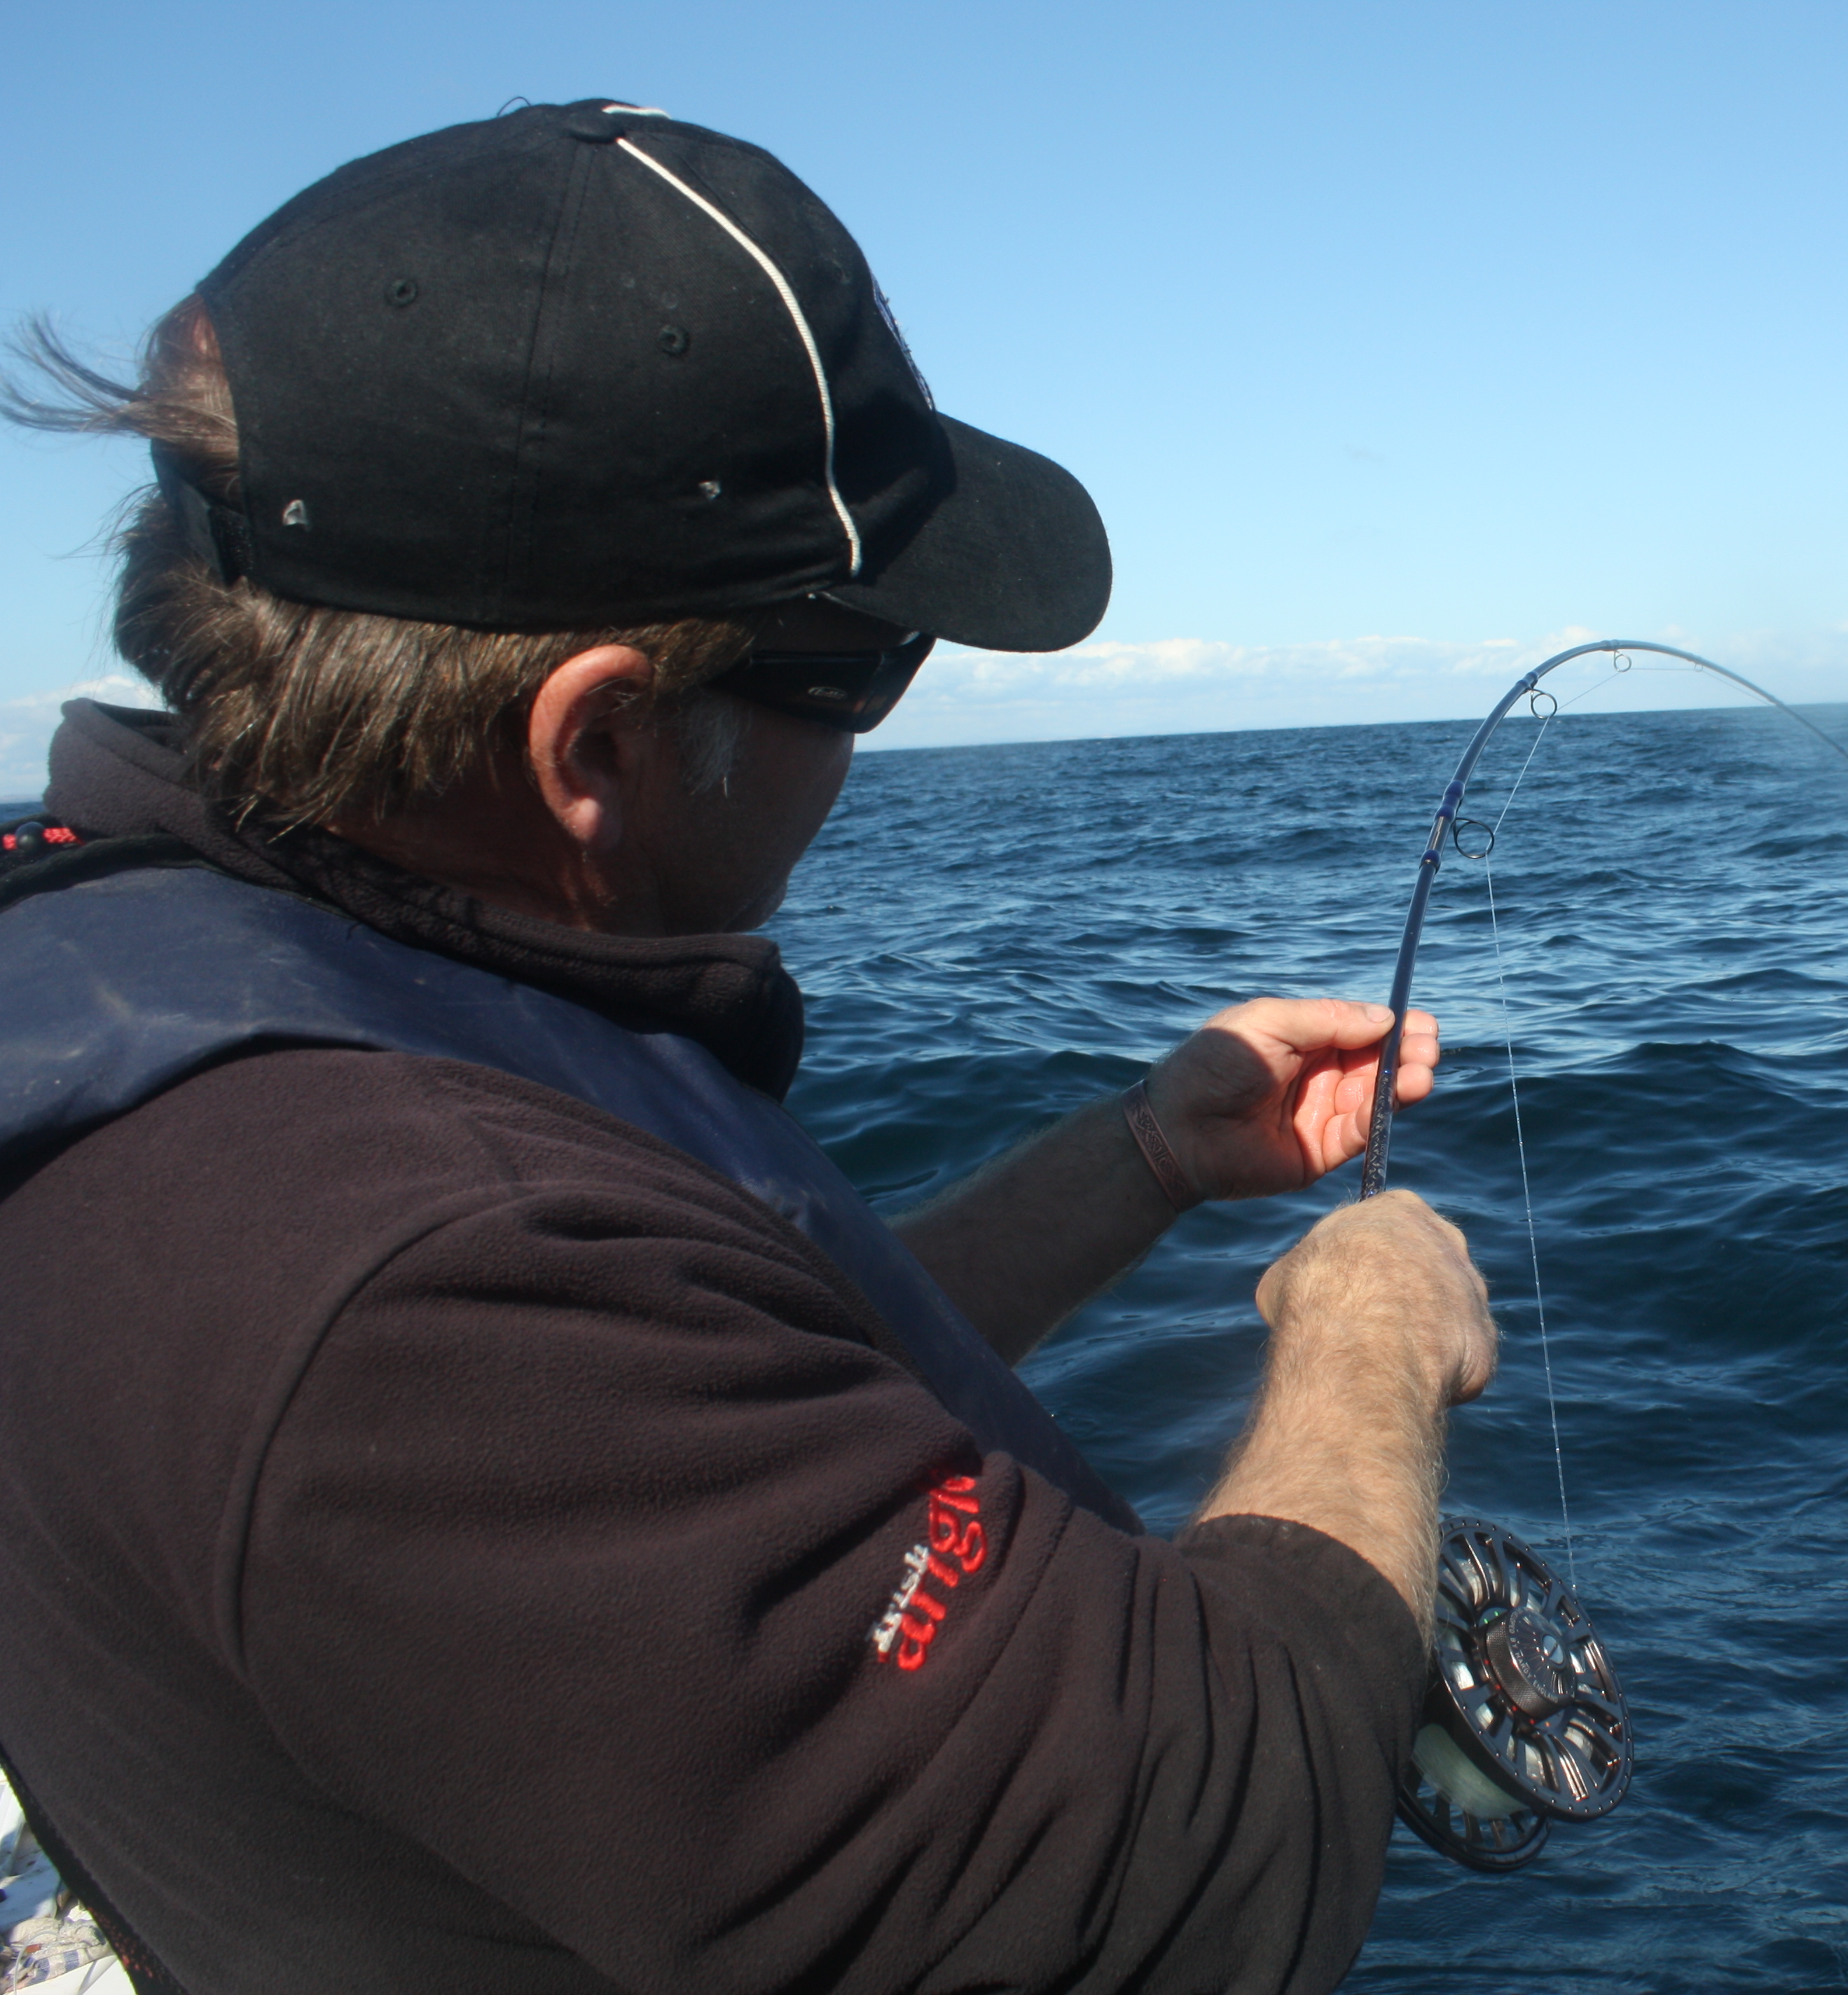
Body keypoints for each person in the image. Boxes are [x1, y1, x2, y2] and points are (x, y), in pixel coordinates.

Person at [0, 99, 1496, 1994]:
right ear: (596, 748)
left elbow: (702, 1402)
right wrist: (1365, 1335)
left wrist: (1143, 1159)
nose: (871, 735)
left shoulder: (219, 979)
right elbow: (1194, 1871)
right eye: (863, 661)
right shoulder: (398, 1288)